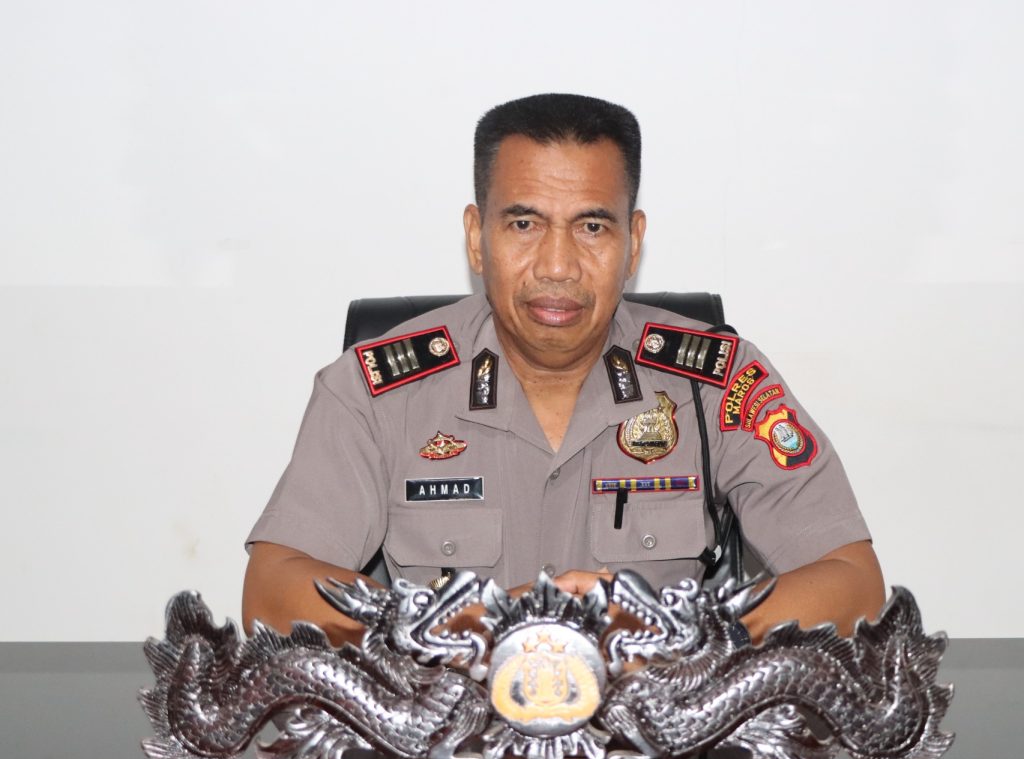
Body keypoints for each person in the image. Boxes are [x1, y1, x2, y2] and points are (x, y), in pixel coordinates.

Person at [243, 93, 884, 646]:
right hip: (443, 732)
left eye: (592, 227)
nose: (557, 266)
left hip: (657, 732)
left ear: (633, 242)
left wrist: (669, 631)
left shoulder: (712, 381)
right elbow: (271, 589)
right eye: (524, 223)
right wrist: (472, 627)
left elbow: (853, 583)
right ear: (476, 237)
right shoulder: (376, 389)